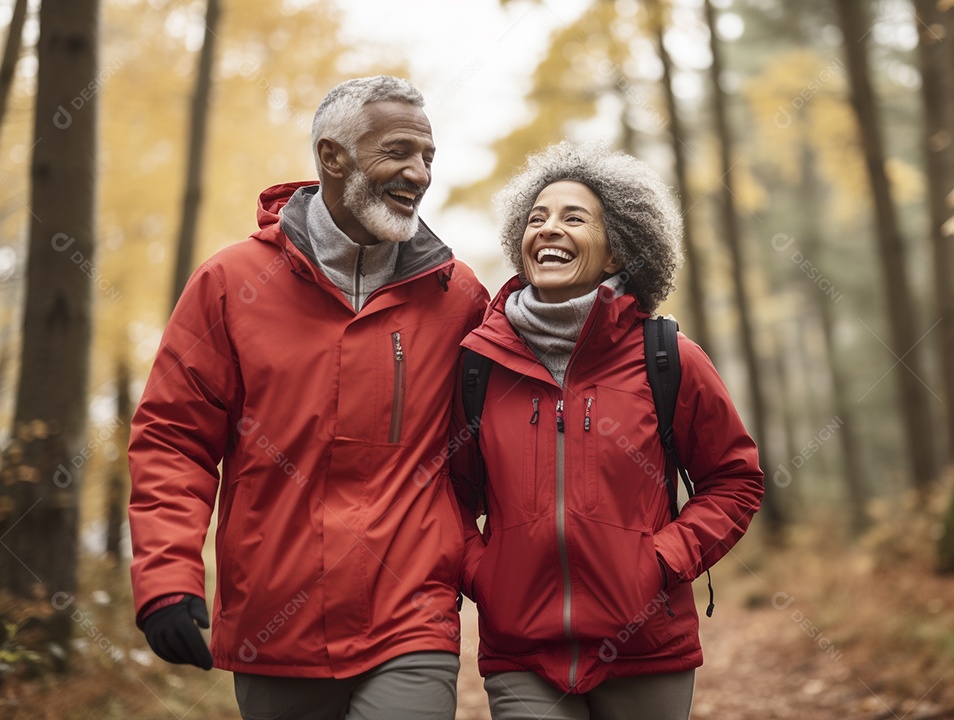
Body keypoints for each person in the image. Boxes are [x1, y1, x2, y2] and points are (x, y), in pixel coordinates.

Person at [128, 76, 488, 720]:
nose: (419, 173)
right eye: (399, 152)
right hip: (274, 623)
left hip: (412, 614)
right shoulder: (230, 281)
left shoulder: (456, 293)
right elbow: (173, 441)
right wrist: (165, 578)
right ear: (332, 157)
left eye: (428, 156)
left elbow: (509, 431)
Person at [450, 142, 765, 720]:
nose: (549, 229)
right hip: (523, 652)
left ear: (619, 247)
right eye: (537, 218)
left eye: (574, 218)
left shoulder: (667, 356)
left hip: (647, 649)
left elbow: (735, 480)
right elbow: (449, 491)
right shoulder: (481, 364)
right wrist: (485, 574)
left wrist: (665, 559)